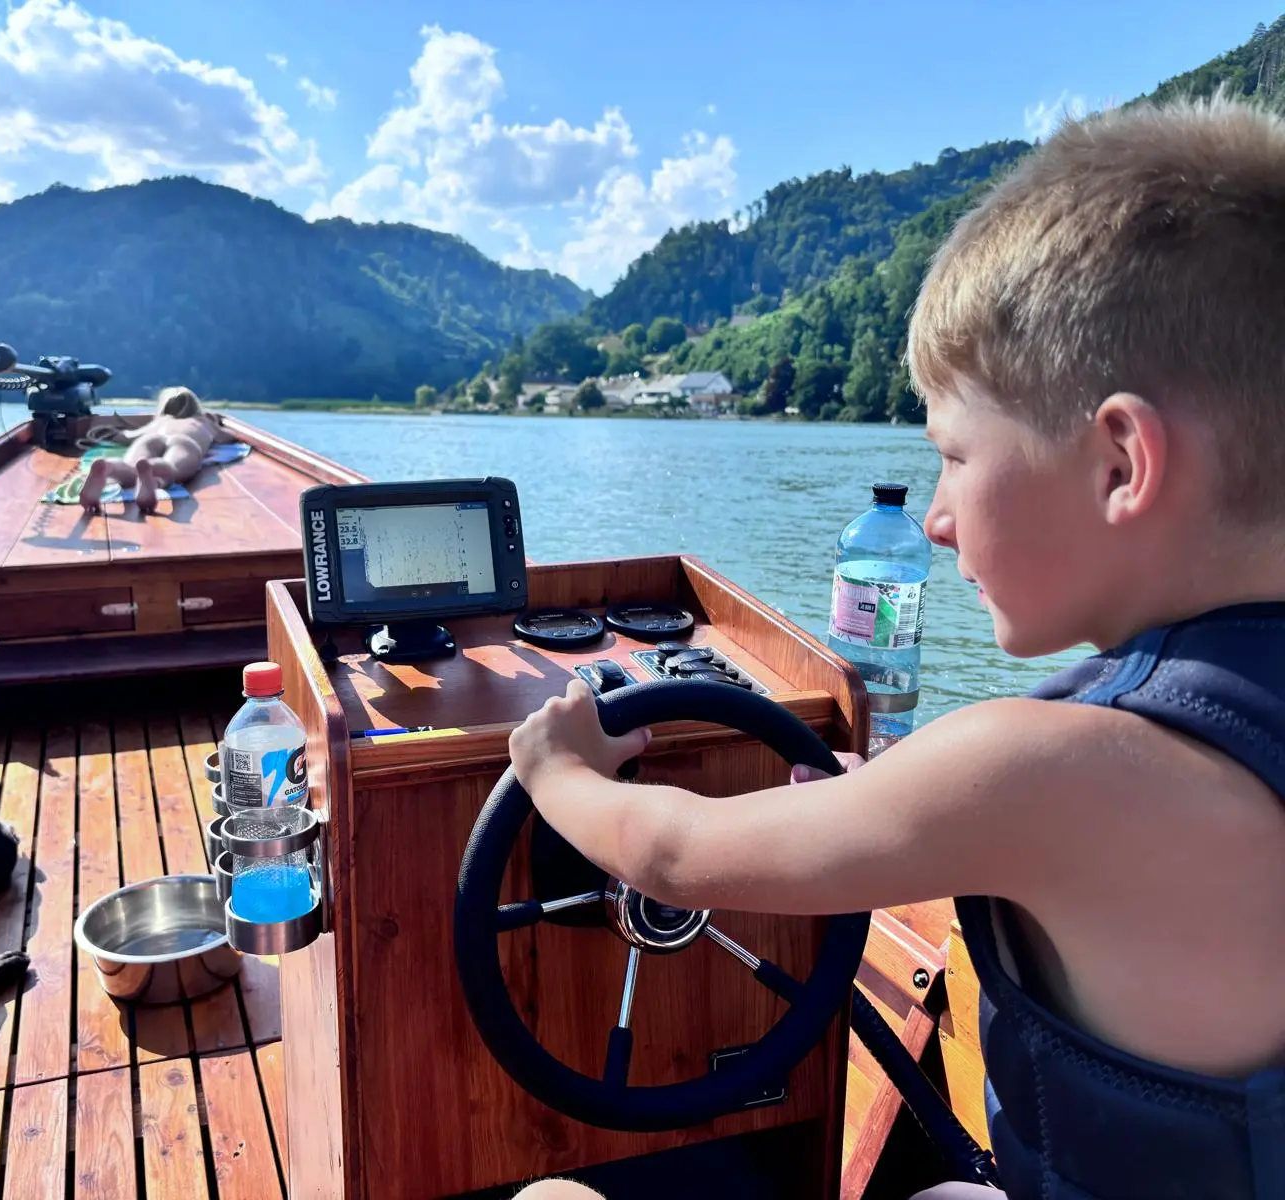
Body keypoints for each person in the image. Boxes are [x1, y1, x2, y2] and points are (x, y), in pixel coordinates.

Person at [512, 96, 1285, 1200]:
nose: (936, 517)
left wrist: (556, 769)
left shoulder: (1041, 774)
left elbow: (668, 856)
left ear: (1120, 464)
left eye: (954, 456)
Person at [79, 385, 218, 513]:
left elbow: (126, 436)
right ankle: (153, 475)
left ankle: (109, 467)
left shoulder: (159, 422)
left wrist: (113, 434)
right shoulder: (203, 421)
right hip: (183, 440)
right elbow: (225, 436)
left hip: (150, 438)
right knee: (172, 468)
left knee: (132, 467)